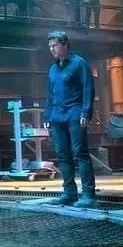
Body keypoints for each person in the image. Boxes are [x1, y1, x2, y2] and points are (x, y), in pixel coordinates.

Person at [43, 31, 97, 207]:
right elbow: (50, 94)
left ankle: (88, 195)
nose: (52, 49)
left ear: (65, 44)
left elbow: (88, 89)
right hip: (57, 116)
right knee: (63, 154)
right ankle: (69, 193)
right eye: (50, 46)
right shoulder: (52, 68)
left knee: (80, 153)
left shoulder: (79, 63)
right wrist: (47, 114)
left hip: (75, 113)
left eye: (55, 45)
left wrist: (85, 112)